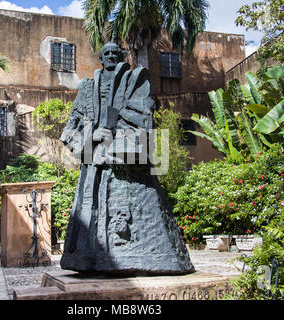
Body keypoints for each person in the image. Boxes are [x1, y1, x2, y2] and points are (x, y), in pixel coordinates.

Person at [59, 42, 194, 275]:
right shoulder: (87, 88)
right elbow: (69, 129)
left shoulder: (135, 81)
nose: (111, 56)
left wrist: (115, 138)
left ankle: (145, 257)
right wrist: (92, 136)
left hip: (126, 162)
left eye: (115, 53)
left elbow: (144, 116)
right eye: (106, 53)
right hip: (93, 165)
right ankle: (89, 259)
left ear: (122, 57)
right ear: (101, 58)